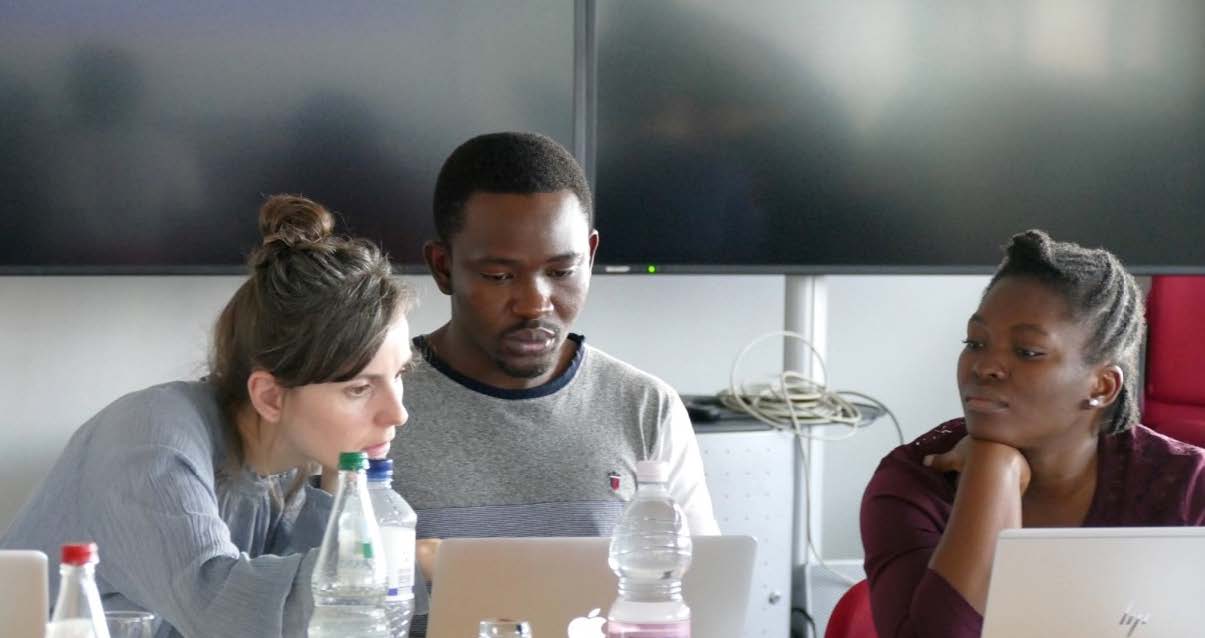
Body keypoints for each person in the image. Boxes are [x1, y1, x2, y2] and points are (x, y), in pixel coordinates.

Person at [0, 194, 424, 637]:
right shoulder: (150, 439)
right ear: (271, 397)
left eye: (398, 375)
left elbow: (331, 626)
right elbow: (226, 616)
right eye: (359, 388)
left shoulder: (288, 465)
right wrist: (413, 561)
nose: (398, 413)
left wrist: (344, 489)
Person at [860, 229, 1205, 637]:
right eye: (975, 342)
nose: (984, 367)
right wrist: (992, 472)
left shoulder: (1187, 490)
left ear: (1102, 387)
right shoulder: (914, 483)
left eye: (1027, 352)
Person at [388, 131, 719, 547]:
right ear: (443, 267)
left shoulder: (645, 408)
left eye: (561, 272)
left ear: (591, 256)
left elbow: (696, 588)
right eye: (499, 276)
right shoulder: (376, 403)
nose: (533, 305)